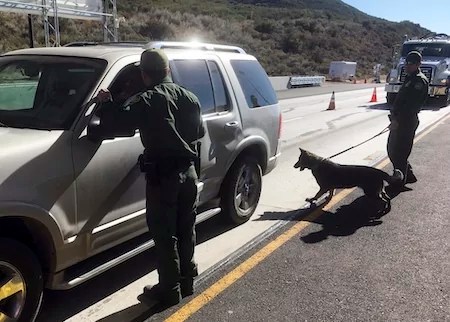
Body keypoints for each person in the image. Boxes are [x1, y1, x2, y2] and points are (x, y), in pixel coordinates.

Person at [94, 49, 205, 307]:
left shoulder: (146, 100)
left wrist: (107, 102)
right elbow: (198, 131)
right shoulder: (190, 97)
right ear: (167, 71)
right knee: (186, 229)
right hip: (188, 173)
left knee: (165, 235)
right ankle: (187, 281)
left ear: (144, 75)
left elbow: (115, 125)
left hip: (163, 177)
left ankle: (169, 290)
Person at [387, 51, 428, 187]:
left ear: (418, 64)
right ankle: (408, 175)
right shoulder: (410, 78)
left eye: (411, 64)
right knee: (393, 149)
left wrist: (397, 120)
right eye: (407, 63)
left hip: (406, 121)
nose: (407, 66)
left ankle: (399, 182)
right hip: (399, 119)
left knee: (399, 152)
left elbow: (411, 106)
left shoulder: (419, 81)